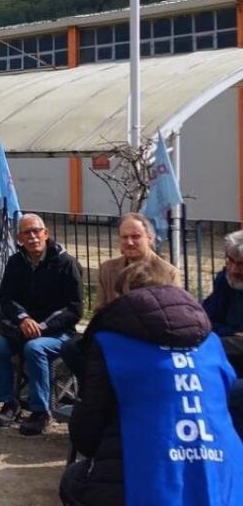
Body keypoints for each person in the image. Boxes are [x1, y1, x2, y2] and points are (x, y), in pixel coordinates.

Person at [60, 260, 243, 506]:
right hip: (225, 477)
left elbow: (87, 434)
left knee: (73, 482)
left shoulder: (111, 343)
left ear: (125, 297)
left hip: (147, 478)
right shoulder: (211, 343)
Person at [0, 213, 83, 436]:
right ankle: (9, 402)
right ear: (19, 238)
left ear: (46, 234)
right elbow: (6, 299)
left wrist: (41, 327)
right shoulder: (16, 263)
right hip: (23, 328)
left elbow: (74, 309)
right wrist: (23, 319)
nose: (33, 236)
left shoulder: (66, 263)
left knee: (35, 348)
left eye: (36, 231)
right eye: (27, 232)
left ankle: (41, 411)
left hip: (57, 332)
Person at [61, 212, 180, 378]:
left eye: (135, 236)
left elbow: (170, 319)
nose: (129, 242)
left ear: (150, 238)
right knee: (71, 348)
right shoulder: (108, 269)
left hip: (148, 339)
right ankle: (92, 396)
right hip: (114, 334)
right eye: (124, 237)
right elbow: (100, 309)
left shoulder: (168, 272)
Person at [203, 229, 243, 377]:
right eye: (230, 260)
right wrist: (232, 333)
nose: (233, 270)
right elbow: (206, 322)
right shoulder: (224, 281)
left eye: (241, 264)